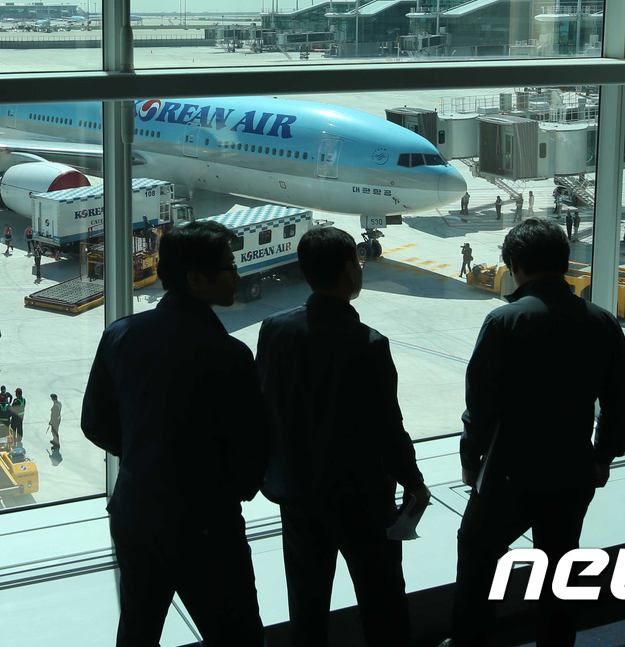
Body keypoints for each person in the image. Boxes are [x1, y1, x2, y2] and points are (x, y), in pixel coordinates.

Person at [442, 218, 625, 647]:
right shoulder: (602, 322)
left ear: (514, 265)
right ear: (564, 263)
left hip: (509, 472)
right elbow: (620, 403)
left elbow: (481, 407)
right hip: (571, 469)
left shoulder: (503, 321)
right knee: (559, 566)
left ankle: (471, 640)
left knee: (477, 554)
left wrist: (471, 460)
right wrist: (602, 456)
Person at [82, 219, 267, 646]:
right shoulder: (229, 354)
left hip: (135, 514)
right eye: (229, 267)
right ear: (197, 280)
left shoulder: (120, 335)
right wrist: (230, 488)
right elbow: (252, 449)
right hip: (207, 525)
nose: (237, 275)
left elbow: (95, 423)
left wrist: (146, 455)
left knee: (138, 632)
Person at [257, 226, 431, 647]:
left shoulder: (274, 330)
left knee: (307, 601)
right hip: (361, 497)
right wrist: (413, 482)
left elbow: (265, 405)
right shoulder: (368, 343)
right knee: (382, 600)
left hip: (297, 492)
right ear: (349, 271)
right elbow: (388, 427)